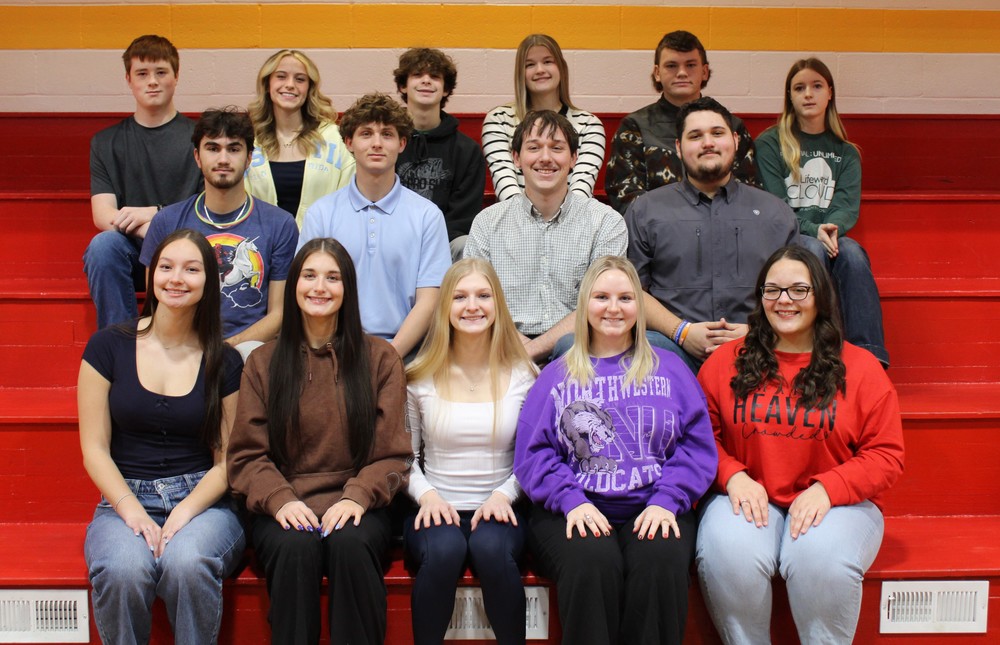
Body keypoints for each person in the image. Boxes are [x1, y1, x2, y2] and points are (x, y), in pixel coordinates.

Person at [696, 245, 905, 644]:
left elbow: (886, 455)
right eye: (772, 290)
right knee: (727, 552)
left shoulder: (860, 368)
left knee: (818, 558)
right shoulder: (725, 362)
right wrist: (732, 476)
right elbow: (701, 438)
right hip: (748, 495)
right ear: (759, 298)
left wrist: (830, 488)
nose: (783, 301)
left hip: (839, 504)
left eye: (798, 290)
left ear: (820, 296)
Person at [514, 256, 717, 645]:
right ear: (584, 305)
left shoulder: (670, 369)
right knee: (593, 562)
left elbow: (696, 446)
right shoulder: (557, 375)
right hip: (573, 507)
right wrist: (571, 501)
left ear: (639, 307)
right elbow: (533, 454)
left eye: (625, 297)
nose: (613, 307)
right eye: (601, 296)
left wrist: (667, 500)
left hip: (655, 503)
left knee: (658, 561)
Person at [227, 238, 412, 645]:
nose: (320, 287)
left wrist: (357, 496)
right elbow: (245, 455)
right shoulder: (263, 362)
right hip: (286, 500)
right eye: (309, 275)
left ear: (348, 289)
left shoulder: (380, 358)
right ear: (293, 286)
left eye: (333, 277)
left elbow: (394, 454)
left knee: (350, 544)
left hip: (360, 502)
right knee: (295, 548)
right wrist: (280, 499)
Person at [79, 229, 245, 644]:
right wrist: (132, 510)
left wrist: (184, 512)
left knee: (186, 563)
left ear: (209, 280)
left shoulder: (224, 360)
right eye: (166, 267)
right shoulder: (107, 347)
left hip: (201, 500)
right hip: (124, 498)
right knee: (123, 569)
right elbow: (94, 448)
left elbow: (229, 460)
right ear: (151, 275)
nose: (176, 278)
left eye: (191, 269)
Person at [404, 258, 537, 645]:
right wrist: (426, 495)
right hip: (435, 505)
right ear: (445, 306)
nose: (472, 306)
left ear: (498, 305)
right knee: (444, 549)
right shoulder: (419, 377)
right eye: (460, 297)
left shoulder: (524, 374)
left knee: (490, 547)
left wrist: (505, 495)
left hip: (500, 505)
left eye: (483, 295)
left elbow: (535, 455)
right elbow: (405, 458)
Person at [626, 97, 799, 372]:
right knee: (643, 345)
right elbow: (630, 291)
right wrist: (681, 331)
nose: (708, 142)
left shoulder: (776, 214)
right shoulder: (645, 211)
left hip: (757, 350)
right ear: (679, 148)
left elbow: (796, 297)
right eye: (695, 136)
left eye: (717, 133)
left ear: (735, 141)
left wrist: (756, 332)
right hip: (672, 353)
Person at [756, 58, 889, 367]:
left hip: (830, 235)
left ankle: (870, 357)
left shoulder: (846, 152)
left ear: (830, 92)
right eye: (799, 88)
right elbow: (776, 205)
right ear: (789, 95)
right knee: (812, 249)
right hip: (788, 236)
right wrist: (811, 229)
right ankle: (820, 352)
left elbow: (846, 206)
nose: (808, 94)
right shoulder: (770, 143)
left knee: (854, 254)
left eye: (816, 86)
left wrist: (830, 228)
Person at [299, 93, 451, 360]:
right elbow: (308, 294)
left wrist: (389, 357)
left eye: (388, 134)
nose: (377, 143)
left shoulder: (427, 216)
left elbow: (430, 302)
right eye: (366, 133)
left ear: (402, 143)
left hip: (407, 352)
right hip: (334, 351)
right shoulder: (321, 214)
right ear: (349, 143)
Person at [466, 110, 626, 363]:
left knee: (569, 345)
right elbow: (476, 300)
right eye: (534, 147)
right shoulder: (487, 223)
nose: (545, 158)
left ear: (573, 158)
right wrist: (517, 350)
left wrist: (531, 351)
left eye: (557, 148)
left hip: (580, 352)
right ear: (516, 158)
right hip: (503, 348)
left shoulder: (606, 222)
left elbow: (602, 305)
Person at [140, 107, 299, 357]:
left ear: (249, 158)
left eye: (234, 149)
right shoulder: (167, 222)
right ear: (197, 157)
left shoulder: (280, 224)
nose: (223, 159)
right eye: (213, 148)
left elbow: (279, 314)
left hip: (248, 351)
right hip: (182, 347)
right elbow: (156, 303)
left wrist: (225, 349)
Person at [84, 34, 203, 328]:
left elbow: (207, 207)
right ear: (129, 79)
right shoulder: (106, 142)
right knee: (103, 246)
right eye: (142, 73)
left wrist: (156, 215)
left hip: (189, 250)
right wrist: (149, 229)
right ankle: (122, 350)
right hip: (134, 253)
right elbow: (103, 215)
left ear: (176, 76)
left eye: (161, 72)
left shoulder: (201, 137)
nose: (152, 81)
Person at [606, 30, 759, 215]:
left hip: (727, 230)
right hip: (659, 234)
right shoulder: (634, 127)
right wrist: (682, 224)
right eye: (671, 65)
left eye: (690, 65)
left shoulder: (732, 127)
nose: (681, 73)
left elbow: (749, 193)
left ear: (704, 71)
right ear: (657, 73)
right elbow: (625, 196)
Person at [482, 34, 605, 202]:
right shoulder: (498, 119)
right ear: (521, 74)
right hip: (513, 222)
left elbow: (580, 190)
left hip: (573, 223)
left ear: (561, 68)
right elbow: (505, 186)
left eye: (548, 61)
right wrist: (528, 223)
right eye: (530, 64)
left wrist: (556, 224)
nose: (540, 69)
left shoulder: (589, 125)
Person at [393, 47, 486, 261]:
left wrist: (430, 245)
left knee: (466, 245)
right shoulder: (387, 141)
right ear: (403, 86)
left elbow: (463, 218)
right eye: (417, 75)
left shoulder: (467, 150)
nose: (426, 81)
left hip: (445, 243)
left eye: (434, 76)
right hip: (392, 239)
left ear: (445, 89)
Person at [245, 49, 355, 228]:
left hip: (321, 246)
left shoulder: (335, 138)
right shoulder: (250, 139)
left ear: (309, 88)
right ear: (267, 84)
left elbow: (348, 200)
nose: (290, 85)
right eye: (281, 76)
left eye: (300, 79)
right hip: (263, 249)